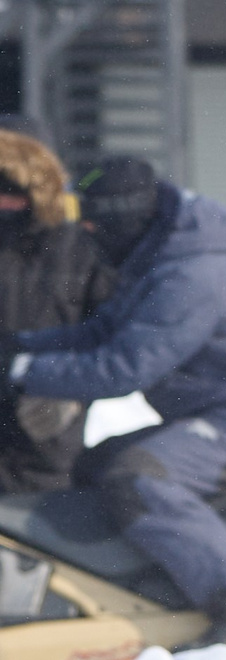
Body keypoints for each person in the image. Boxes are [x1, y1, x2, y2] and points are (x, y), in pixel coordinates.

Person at [3, 157, 226, 649]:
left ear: (122, 217)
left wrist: (22, 374)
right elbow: (105, 330)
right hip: (221, 414)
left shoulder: (194, 273)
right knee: (92, 468)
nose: (86, 234)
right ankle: (140, 589)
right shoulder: (157, 252)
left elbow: (125, 366)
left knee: (138, 477)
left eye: (93, 224)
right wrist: (22, 346)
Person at [0, 119, 117, 492]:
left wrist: (71, 393)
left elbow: (113, 336)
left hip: (45, 443)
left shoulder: (81, 247)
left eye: (17, 187)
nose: (7, 200)